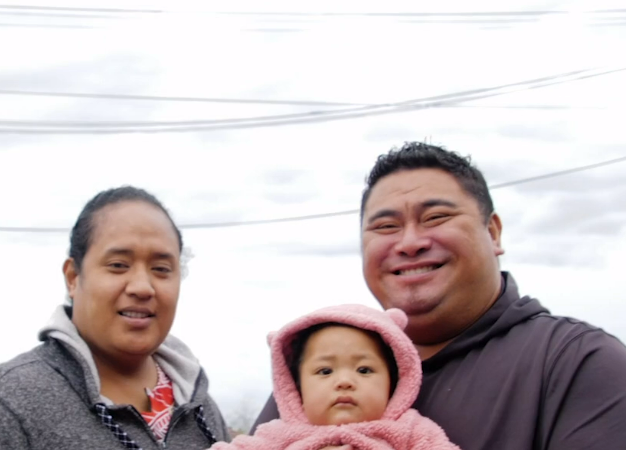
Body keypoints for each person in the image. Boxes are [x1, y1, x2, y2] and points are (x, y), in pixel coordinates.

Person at [251, 142, 626, 449]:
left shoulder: (576, 362)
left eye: (435, 218)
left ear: (493, 232)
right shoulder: (321, 360)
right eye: (386, 226)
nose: (410, 243)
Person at [0, 186, 230, 450]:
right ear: (73, 277)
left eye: (161, 268)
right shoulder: (3, 405)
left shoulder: (200, 409)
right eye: (118, 265)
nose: (142, 287)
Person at [212, 304, 458, 450]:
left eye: (364, 370)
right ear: (297, 389)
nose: (344, 381)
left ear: (393, 384)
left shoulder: (411, 430)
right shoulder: (277, 436)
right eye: (325, 371)